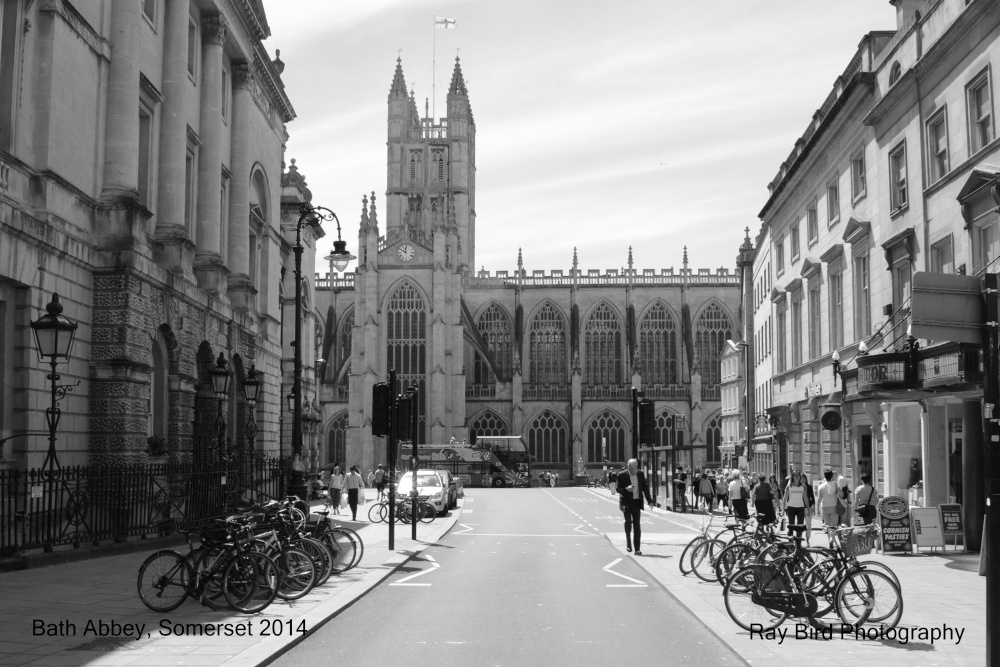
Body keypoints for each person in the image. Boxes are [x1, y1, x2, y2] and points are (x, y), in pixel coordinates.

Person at [616, 458, 656, 555]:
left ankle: (637, 548)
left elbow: (645, 488)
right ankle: (628, 544)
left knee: (637, 526)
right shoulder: (621, 475)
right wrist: (626, 489)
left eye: (633, 468)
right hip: (626, 503)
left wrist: (650, 501)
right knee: (628, 523)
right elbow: (618, 489)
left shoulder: (640, 474)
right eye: (629, 468)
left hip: (637, 503)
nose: (631, 470)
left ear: (636, 466)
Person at [782, 470, 808, 535]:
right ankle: (791, 541)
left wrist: (808, 508)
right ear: (792, 477)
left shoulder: (803, 487)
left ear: (800, 476)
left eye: (798, 475)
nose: (797, 477)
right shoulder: (789, 487)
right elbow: (784, 498)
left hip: (800, 508)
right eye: (795, 475)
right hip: (791, 508)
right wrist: (783, 509)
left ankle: (798, 542)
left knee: (800, 527)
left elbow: (805, 498)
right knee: (791, 526)